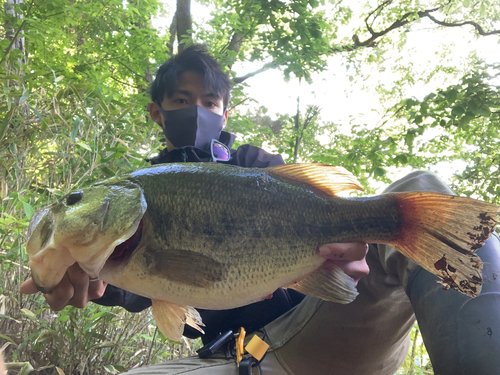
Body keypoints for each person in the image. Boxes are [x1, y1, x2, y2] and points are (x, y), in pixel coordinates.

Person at [20, 45, 500, 375]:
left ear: (225, 112)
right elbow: (146, 291)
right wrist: (94, 280)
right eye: (182, 101)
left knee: (419, 188)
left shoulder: (255, 166)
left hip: (321, 335)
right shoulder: (140, 196)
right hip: (226, 361)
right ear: (157, 112)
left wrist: (352, 252)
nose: (197, 110)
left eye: (209, 102)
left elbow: (332, 228)